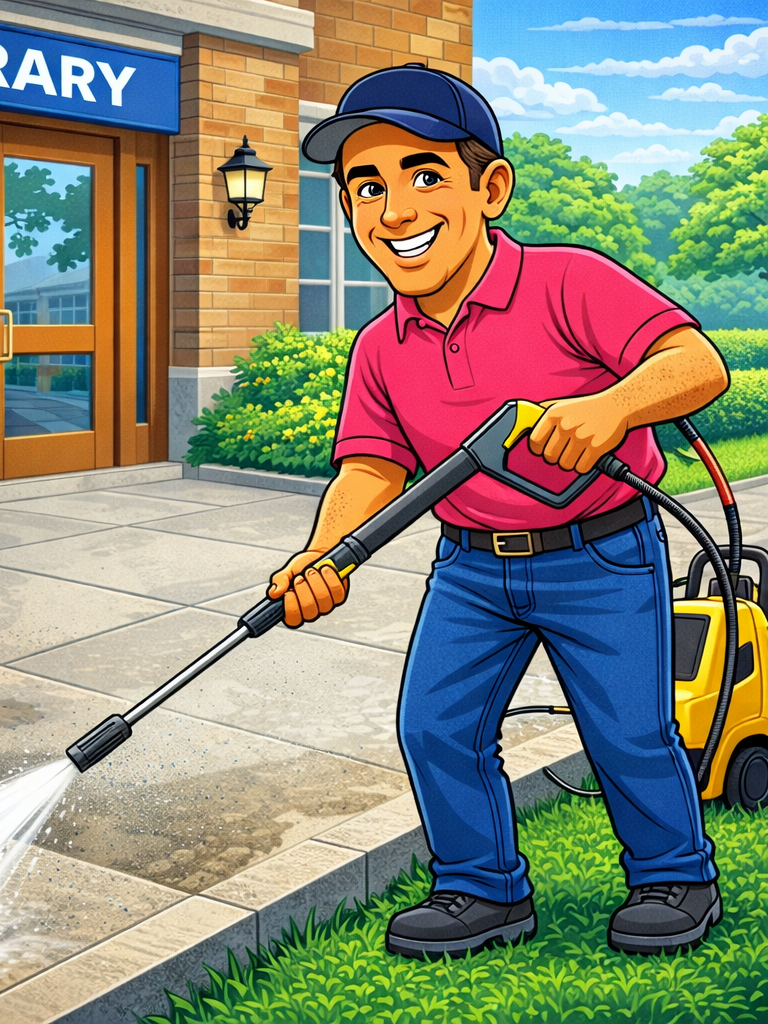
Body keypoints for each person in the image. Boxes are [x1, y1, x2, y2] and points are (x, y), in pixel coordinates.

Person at [274, 65, 729, 960]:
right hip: (471, 568)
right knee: (435, 726)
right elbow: (371, 467)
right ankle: (481, 891)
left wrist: (612, 407)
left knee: (628, 730)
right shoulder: (380, 347)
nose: (396, 210)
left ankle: (676, 876)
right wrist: (325, 553)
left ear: (490, 189)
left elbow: (696, 364)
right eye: (367, 186)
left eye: (424, 174)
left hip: (600, 556)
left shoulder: (569, 282)